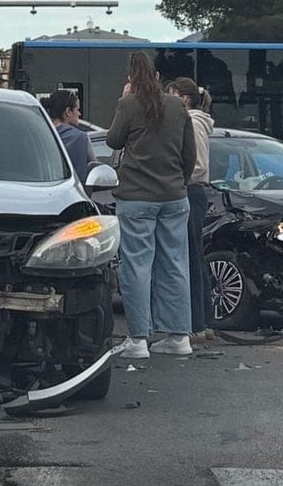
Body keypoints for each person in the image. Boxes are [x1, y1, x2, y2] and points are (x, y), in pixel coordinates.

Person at [106, 52, 197, 360]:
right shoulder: (177, 106)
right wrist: (179, 183)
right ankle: (178, 337)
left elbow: (113, 140)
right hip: (174, 197)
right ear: (157, 77)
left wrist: (124, 98)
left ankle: (138, 340)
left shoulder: (129, 104)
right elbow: (189, 154)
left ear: (131, 79)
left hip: (136, 198)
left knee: (137, 266)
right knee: (175, 264)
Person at [166, 77, 214, 344]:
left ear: (184, 99)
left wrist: (176, 177)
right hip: (193, 192)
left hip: (190, 190)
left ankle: (196, 323)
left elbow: (198, 165)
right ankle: (203, 321)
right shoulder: (195, 121)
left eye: (172, 95)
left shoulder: (193, 123)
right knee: (195, 258)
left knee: (191, 260)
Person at [41, 89, 95, 178]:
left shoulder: (38, 136)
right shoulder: (81, 138)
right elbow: (94, 168)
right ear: (68, 111)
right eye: (77, 109)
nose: (79, 114)